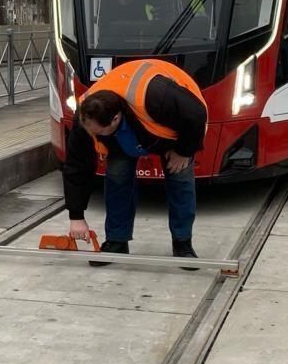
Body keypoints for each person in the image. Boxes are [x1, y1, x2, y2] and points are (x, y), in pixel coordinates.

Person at [62, 59, 208, 267]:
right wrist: (76, 216)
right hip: (124, 138)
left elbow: (195, 114)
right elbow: (76, 165)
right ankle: (117, 241)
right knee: (117, 177)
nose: (92, 136)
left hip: (169, 133)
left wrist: (184, 151)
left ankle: (183, 244)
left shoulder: (157, 95)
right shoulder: (86, 118)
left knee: (180, 179)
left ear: (115, 119)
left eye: (98, 133)